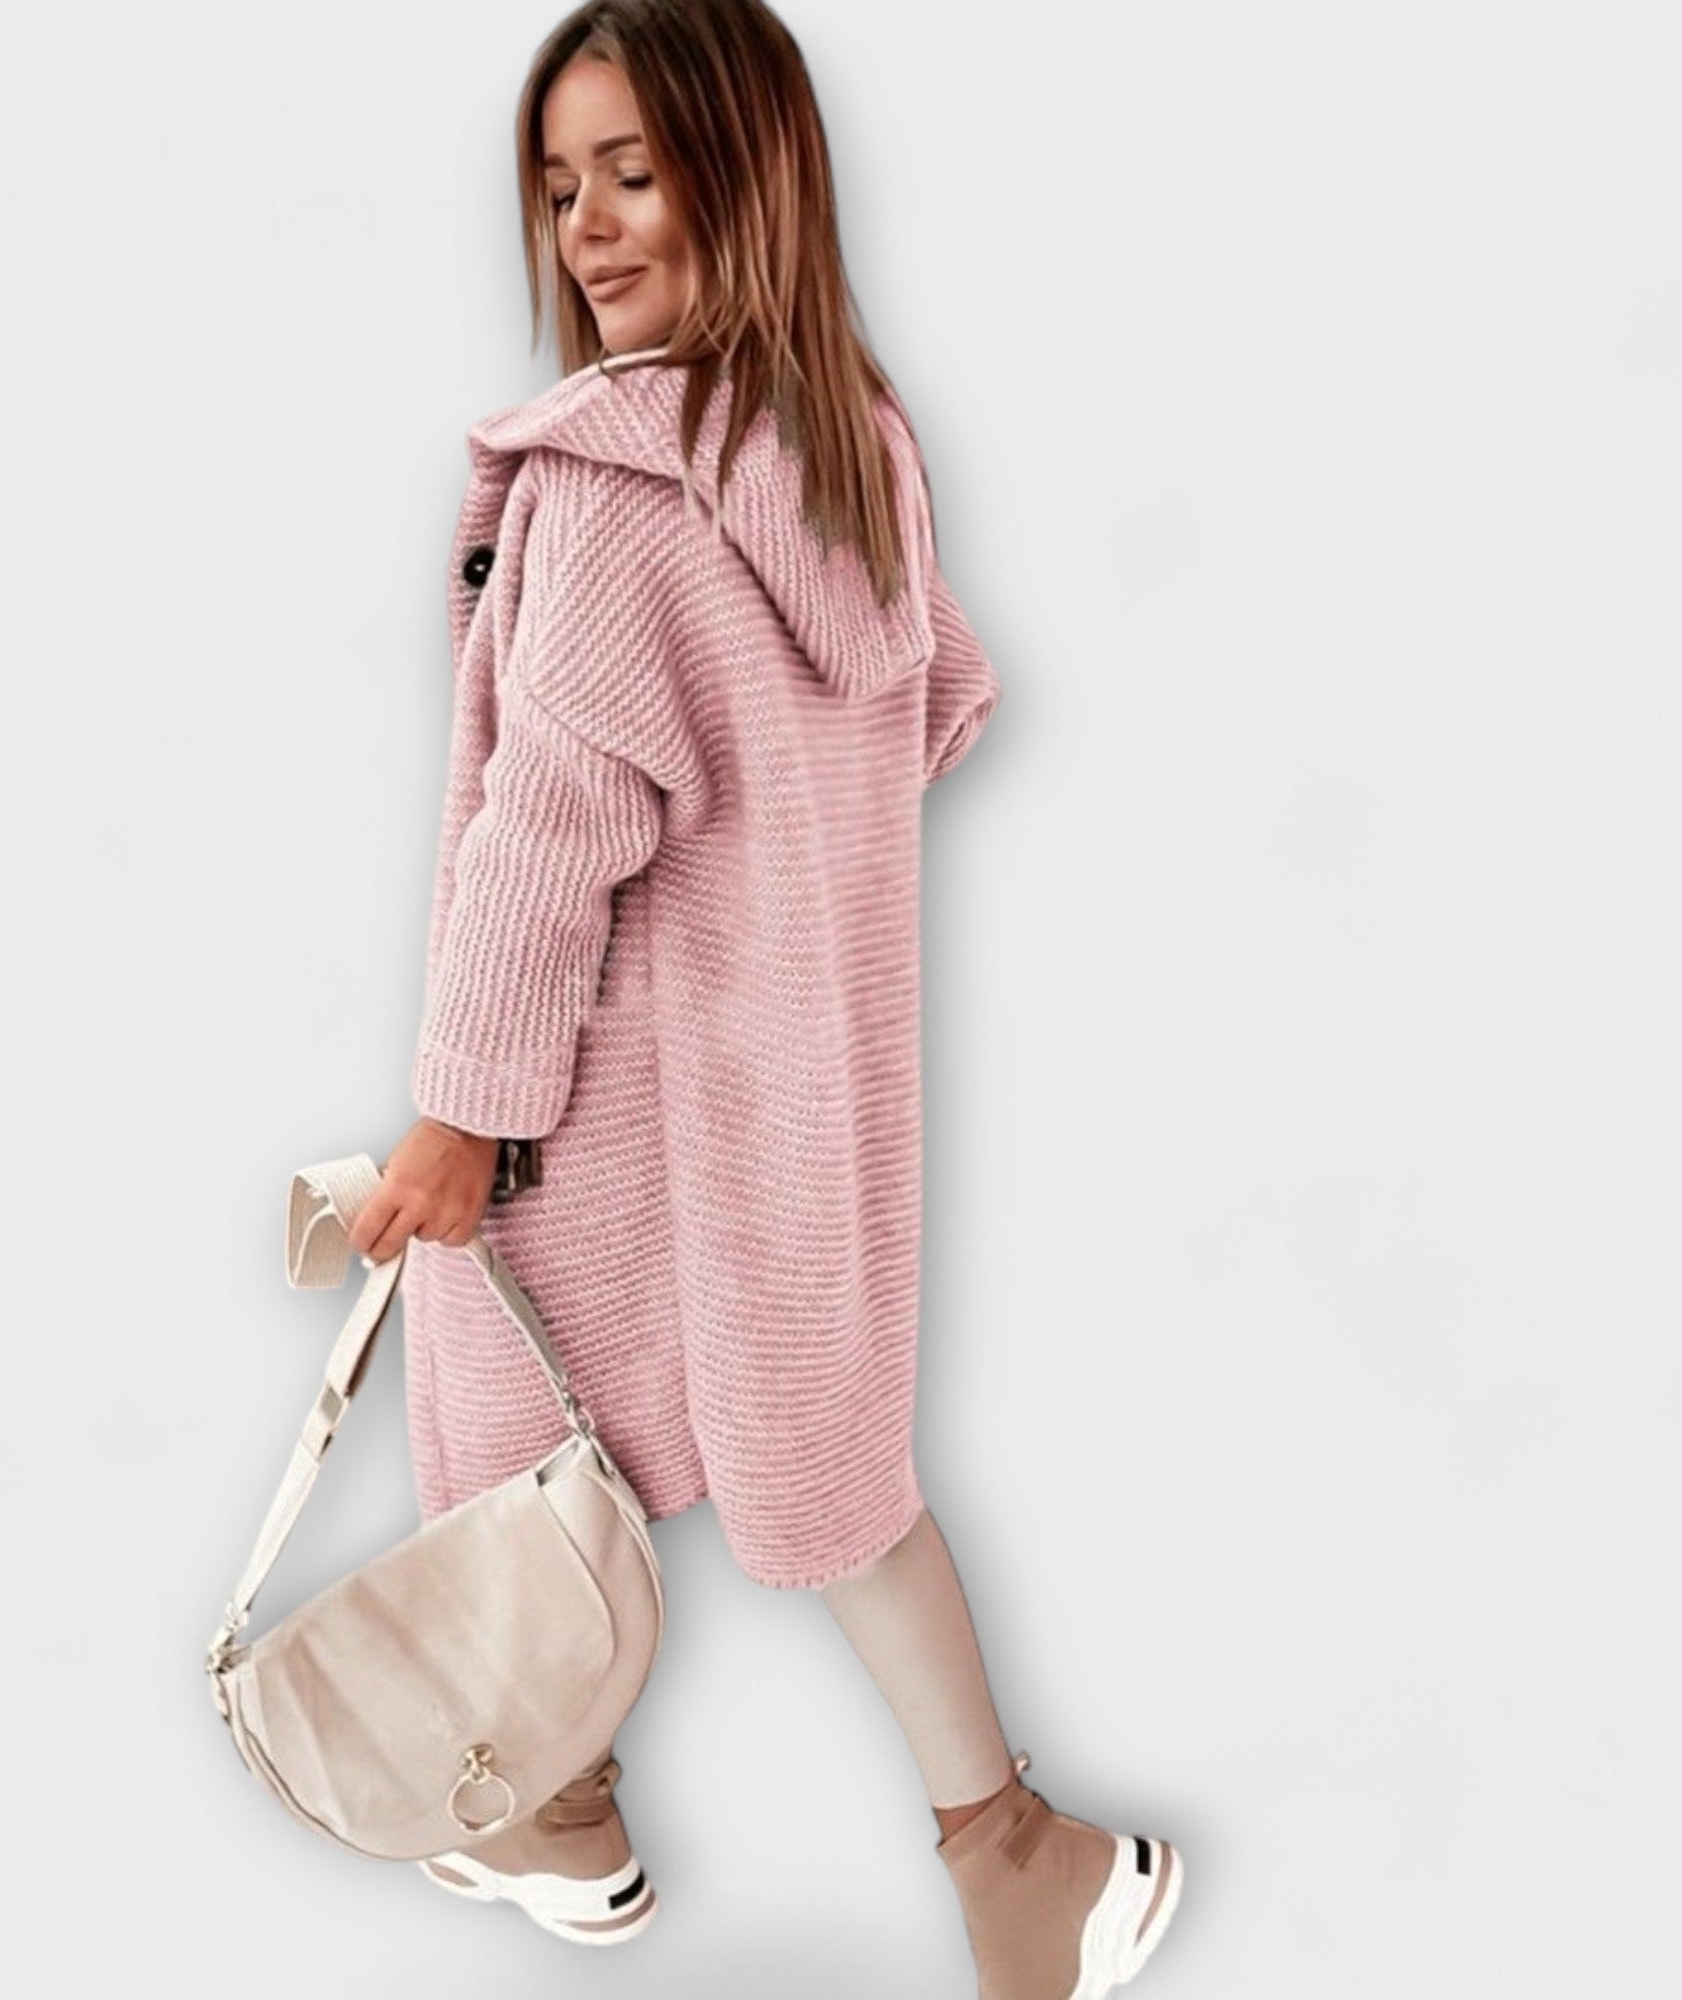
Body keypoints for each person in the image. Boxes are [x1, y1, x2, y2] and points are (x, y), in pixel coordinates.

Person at [343, 3, 1184, 1992]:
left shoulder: (615, 489)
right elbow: (935, 700)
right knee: (824, 1461)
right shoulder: (846, 450)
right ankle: (1011, 1852)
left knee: (516, 1426)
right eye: (561, 185)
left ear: (753, 174)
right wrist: (781, 878)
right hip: (809, 1073)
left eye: (635, 173)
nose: (587, 227)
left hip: (594, 1089)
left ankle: (556, 1810)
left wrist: (459, 1117)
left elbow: (539, 843)